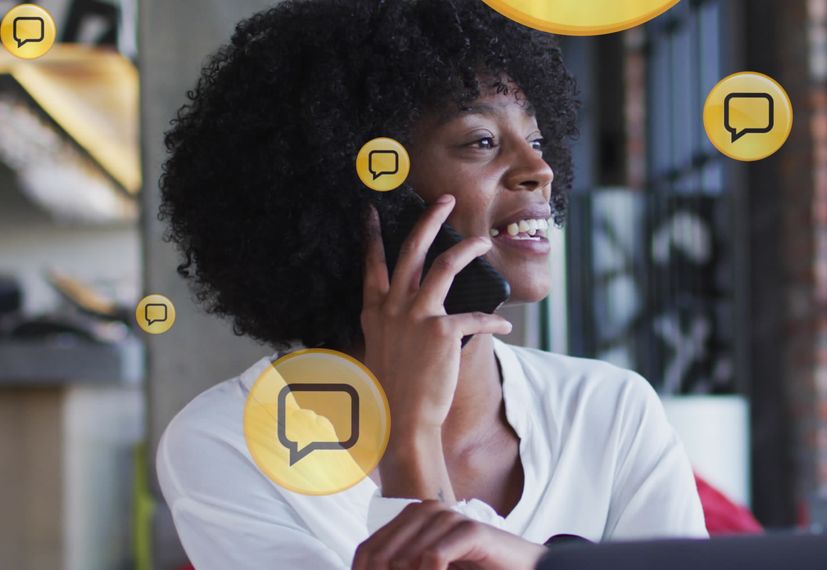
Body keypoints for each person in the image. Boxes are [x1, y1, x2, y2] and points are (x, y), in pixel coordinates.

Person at [155, 1, 707, 568]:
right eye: (481, 142)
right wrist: (410, 440)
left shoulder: (610, 411)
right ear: (358, 192)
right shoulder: (231, 441)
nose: (539, 170)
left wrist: (518, 557)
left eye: (537, 142)